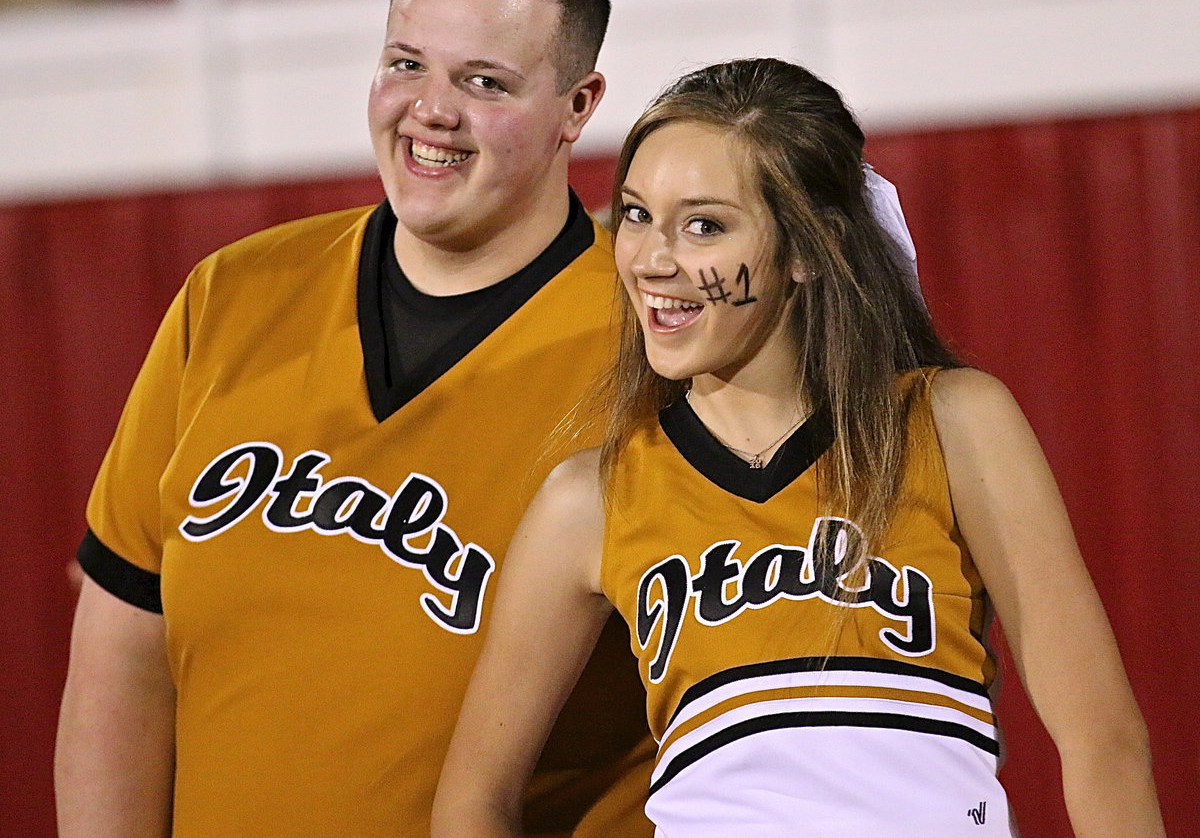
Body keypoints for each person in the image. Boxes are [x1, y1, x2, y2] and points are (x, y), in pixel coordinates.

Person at [431, 58, 1165, 837]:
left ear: (811, 248)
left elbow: (1102, 742)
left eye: (704, 225)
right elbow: (473, 801)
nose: (649, 258)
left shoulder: (949, 425)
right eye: (637, 215)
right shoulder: (594, 499)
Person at [55, 0, 656, 838]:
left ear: (579, 106)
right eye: (406, 63)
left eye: (483, 82)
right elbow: (123, 648)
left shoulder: (657, 348)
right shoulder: (233, 295)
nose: (431, 111)